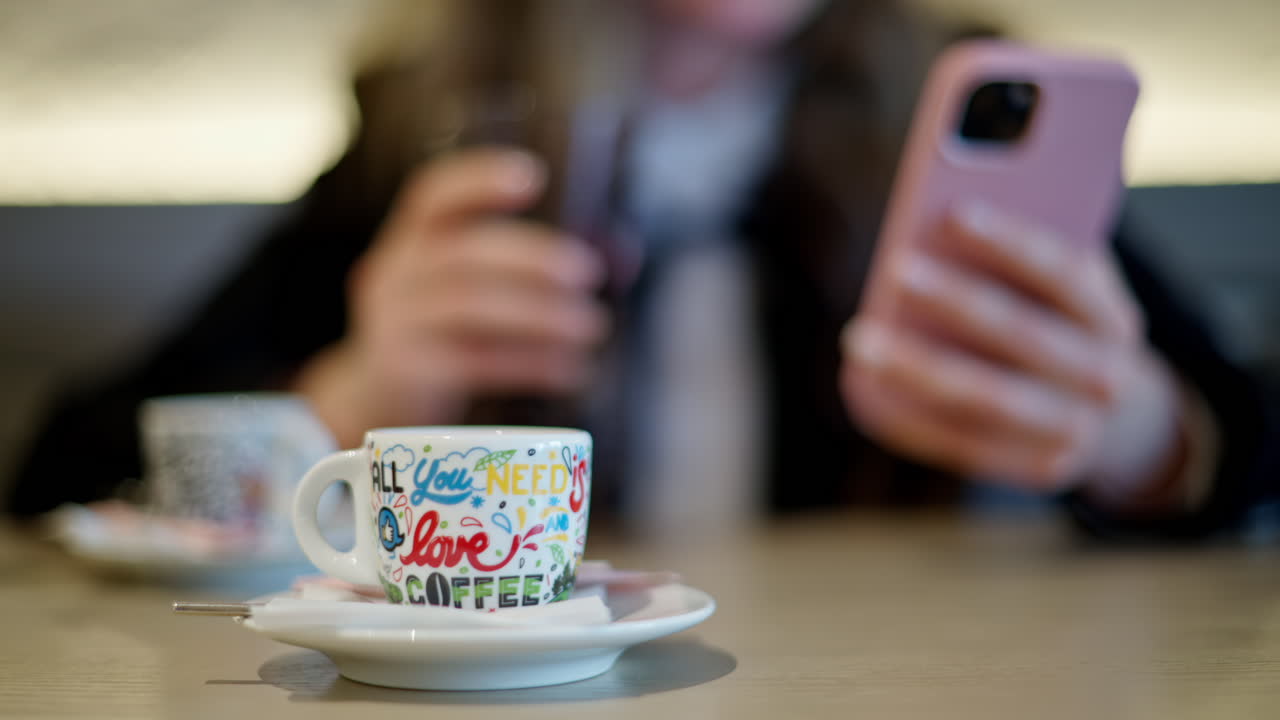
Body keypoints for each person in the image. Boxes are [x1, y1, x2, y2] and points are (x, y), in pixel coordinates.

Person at [8, 0, 1274, 538]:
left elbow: (1244, 437)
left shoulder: (951, 110)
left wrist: (1145, 436)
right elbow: (65, 473)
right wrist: (352, 393)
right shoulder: (428, 130)